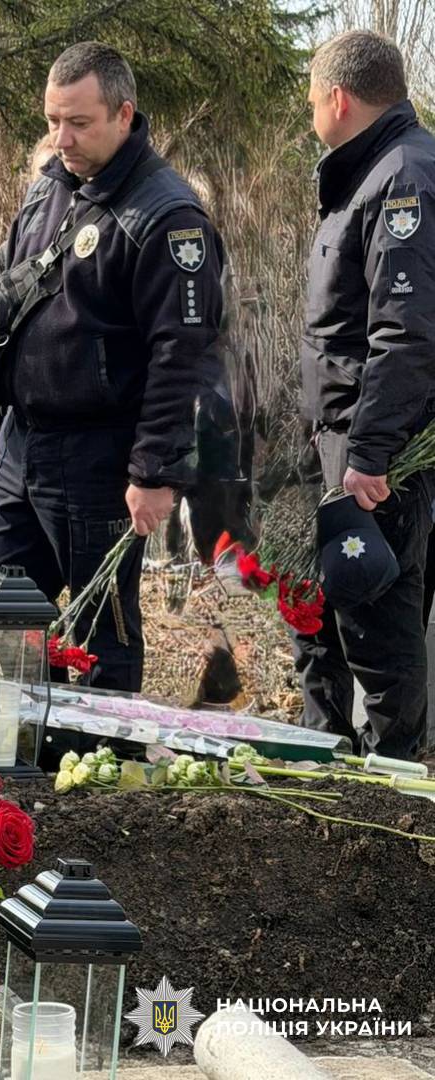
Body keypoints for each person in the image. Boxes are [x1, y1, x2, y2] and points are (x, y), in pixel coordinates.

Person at [0, 41, 225, 691]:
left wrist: (154, 470)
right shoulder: (48, 190)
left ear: (124, 114)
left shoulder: (166, 216)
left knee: (101, 631)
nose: (62, 138)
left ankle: (100, 778)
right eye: (53, 121)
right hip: (23, 445)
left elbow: (181, 355)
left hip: (100, 456)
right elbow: (6, 305)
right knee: (5, 610)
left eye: (79, 123)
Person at [294, 30, 435, 759]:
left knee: (380, 628)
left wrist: (371, 453)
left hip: (374, 447)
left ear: (338, 98)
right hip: (344, 434)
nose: (312, 112)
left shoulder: (400, 178)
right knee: (329, 610)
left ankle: (391, 791)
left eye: (313, 100)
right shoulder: (375, 170)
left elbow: (405, 333)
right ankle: (333, 760)